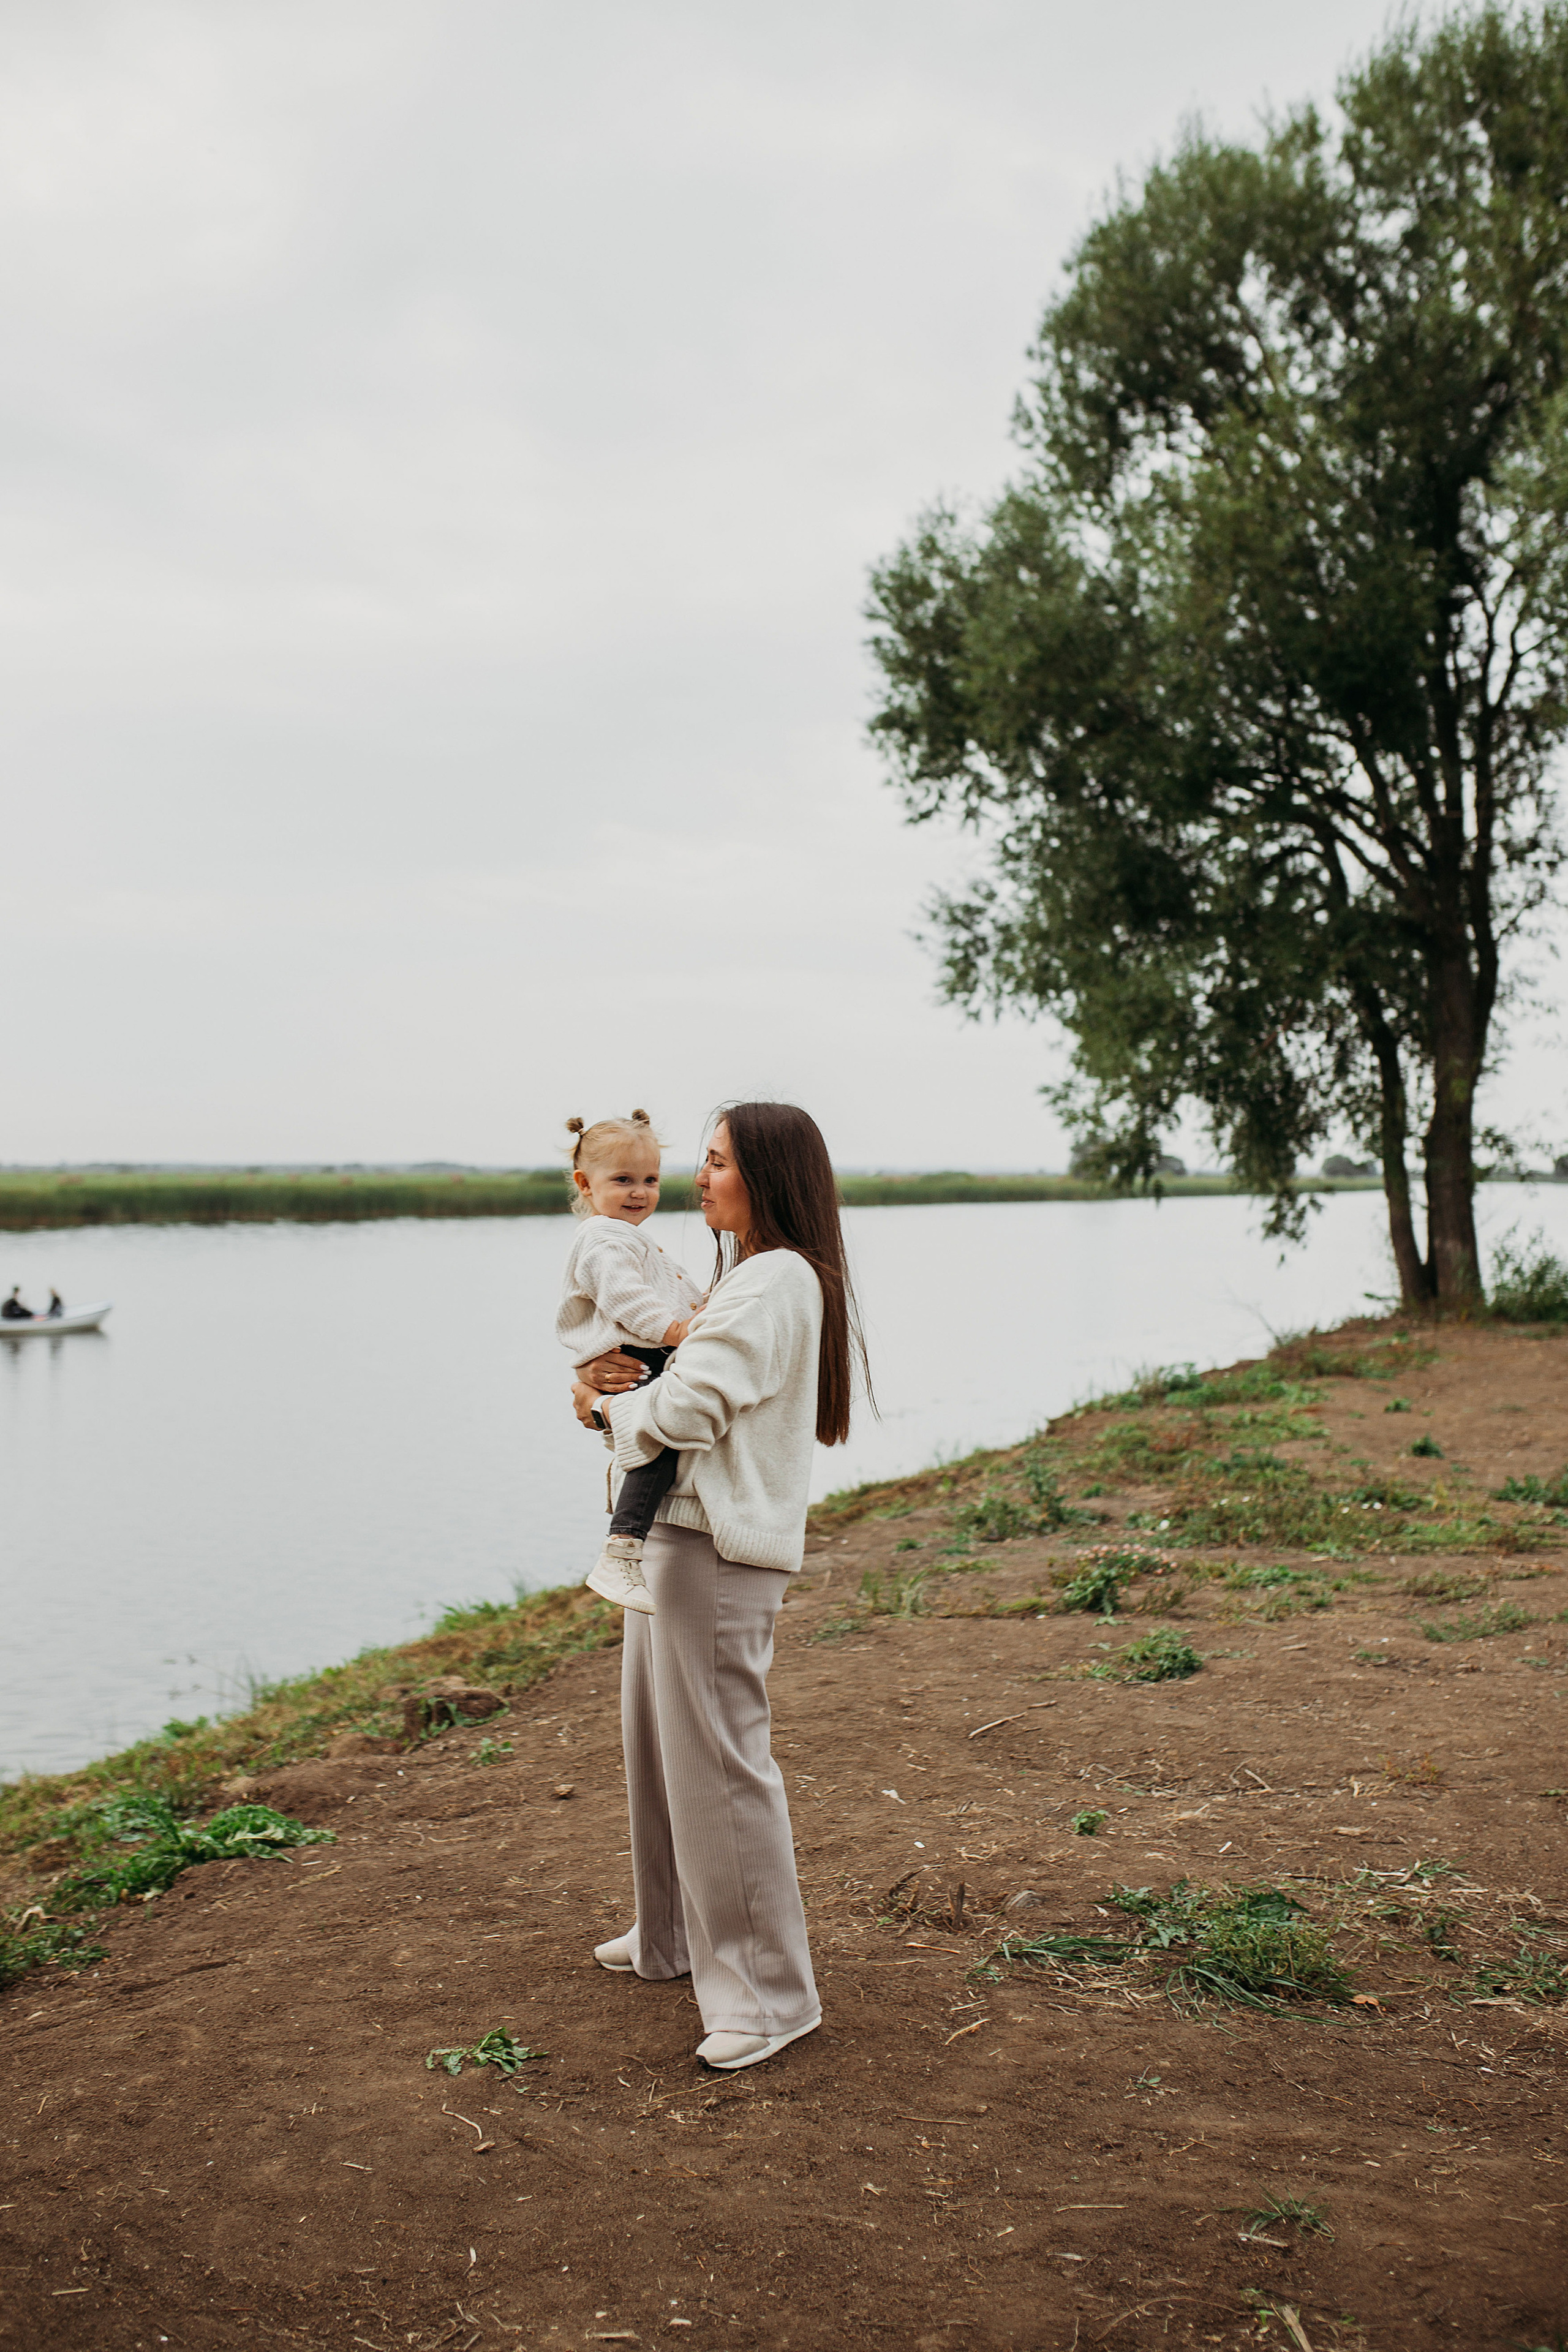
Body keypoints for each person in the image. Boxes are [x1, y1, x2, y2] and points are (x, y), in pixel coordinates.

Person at [571, 1101, 869, 2073]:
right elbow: (673, 1382)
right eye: (699, 1161)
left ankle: (771, 1997)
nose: (699, 1179)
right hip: (676, 1533)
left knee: (718, 1766)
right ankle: (668, 1935)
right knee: (659, 1752)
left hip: (714, 1548)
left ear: (769, 1178)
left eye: (718, 1163)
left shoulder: (776, 1278)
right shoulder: (745, 1274)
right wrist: (608, 1382)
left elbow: (691, 1409)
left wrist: (601, 1405)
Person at [556, 1110, 706, 1614]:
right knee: (658, 1442)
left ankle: (633, 1542)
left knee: (658, 1442)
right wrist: (678, 1331)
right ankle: (621, 1548)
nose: (640, 1192)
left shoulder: (623, 1235)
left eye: (650, 1180)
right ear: (586, 1183)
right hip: (639, 1356)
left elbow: (668, 1290)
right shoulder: (604, 1239)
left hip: (645, 1351)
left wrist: (703, 1307)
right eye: (623, 1180)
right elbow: (627, 1299)